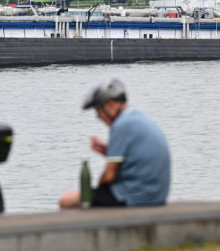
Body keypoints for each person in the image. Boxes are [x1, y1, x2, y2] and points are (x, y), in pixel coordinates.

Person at [59, 78, 171, 208]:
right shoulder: (136, 118)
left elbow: (109, 176)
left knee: (66, 200)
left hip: (135, 197)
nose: (98, 116)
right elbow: (134, 159)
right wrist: (108, 151)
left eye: (98, 110)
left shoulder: (120, 125)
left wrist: (97, 194)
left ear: (110, 104)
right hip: (156, 196)